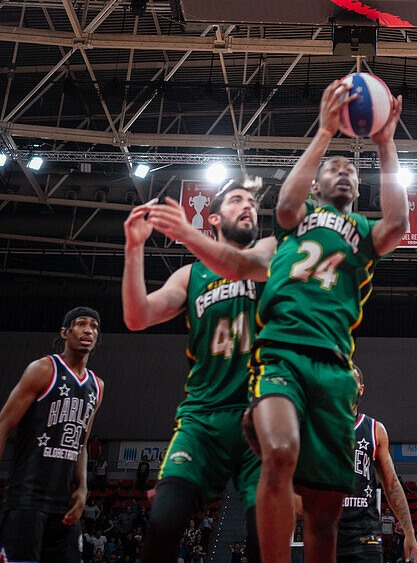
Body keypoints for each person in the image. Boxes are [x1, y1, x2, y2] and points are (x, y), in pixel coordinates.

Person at [195, 81, 408, 563]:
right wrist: (325, 132)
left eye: (352, 170)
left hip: (335, 369)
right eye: (334, 167)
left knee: (323, 514)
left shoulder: (364, 234)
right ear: (318, 182)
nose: (344, 171)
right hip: (283, 354)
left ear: (359, 186)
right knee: (281, 453)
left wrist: (385, 142)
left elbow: (397, 224)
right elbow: (285, 205)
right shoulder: (300, 217)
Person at [124, 175, 277, 563]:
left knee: (267, 540)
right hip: (202, 419)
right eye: (236, 200)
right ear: (212, 219)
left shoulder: (271, 249)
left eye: (252, 202)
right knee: (164, 519)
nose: (248, 206)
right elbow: (137, 316)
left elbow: (244, 266)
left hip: (260, 418)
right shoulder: (189, 276)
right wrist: (134, 247)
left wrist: (187, 236)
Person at [0, 306, 104, 563]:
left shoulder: (97, 386)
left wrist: (82, 488)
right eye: (81, 324)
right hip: (26, 500)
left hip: (64, 505)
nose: (88, 330)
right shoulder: (43, 369)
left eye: (94, 326)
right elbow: (3, 425)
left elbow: (81, 442)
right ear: (65, 332)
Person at [336, 364, 417, 563]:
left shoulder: (374, 430)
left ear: (360, 389)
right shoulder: (318, 428)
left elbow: (391, 484)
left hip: (366, 534)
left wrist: (409, 531)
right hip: (327, 533)